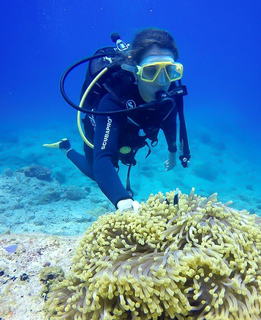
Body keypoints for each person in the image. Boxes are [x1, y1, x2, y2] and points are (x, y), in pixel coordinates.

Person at [57, 28, 189, 212]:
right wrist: (122, 200)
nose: (161, 81)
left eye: (169, 70)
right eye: (151, 71)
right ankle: (66, 150)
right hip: (102, 131)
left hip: (133, 136)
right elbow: (103, 159)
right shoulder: (113, 99)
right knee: (96, 172)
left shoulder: (171, 91)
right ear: (135, 71)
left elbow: (170, 120)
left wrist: (172, 151)